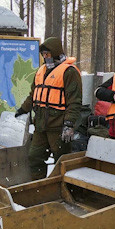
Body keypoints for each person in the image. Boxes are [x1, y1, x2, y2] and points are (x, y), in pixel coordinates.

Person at [16, 36, 82, 179]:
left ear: (56, 52)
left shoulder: (69, 72)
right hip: (40, 125)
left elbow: (75, 102)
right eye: (43, 55)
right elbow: (34, 94)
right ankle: (38, 186)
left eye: (48, 54)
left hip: (58, 126)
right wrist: (23, 109)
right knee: (34, 157)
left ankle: (64, 187)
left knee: (61, 161)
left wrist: (69, 124)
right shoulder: (41, 71)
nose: (45, 57)